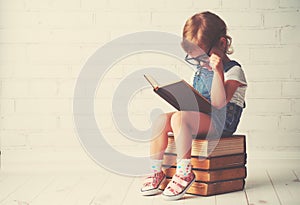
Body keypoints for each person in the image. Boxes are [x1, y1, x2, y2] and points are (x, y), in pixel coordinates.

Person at [140, 11, 247, 201]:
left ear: (222, 44)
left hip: (222, 123)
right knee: (162, 119)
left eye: (202, 58)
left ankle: (184, 172)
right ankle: (157, 171)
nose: (199, 64)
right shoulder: (199, 72)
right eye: (194, 59)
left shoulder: (234, 72)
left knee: (181, 118)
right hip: (203, 118)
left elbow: (218, 103)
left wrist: (218, 72)